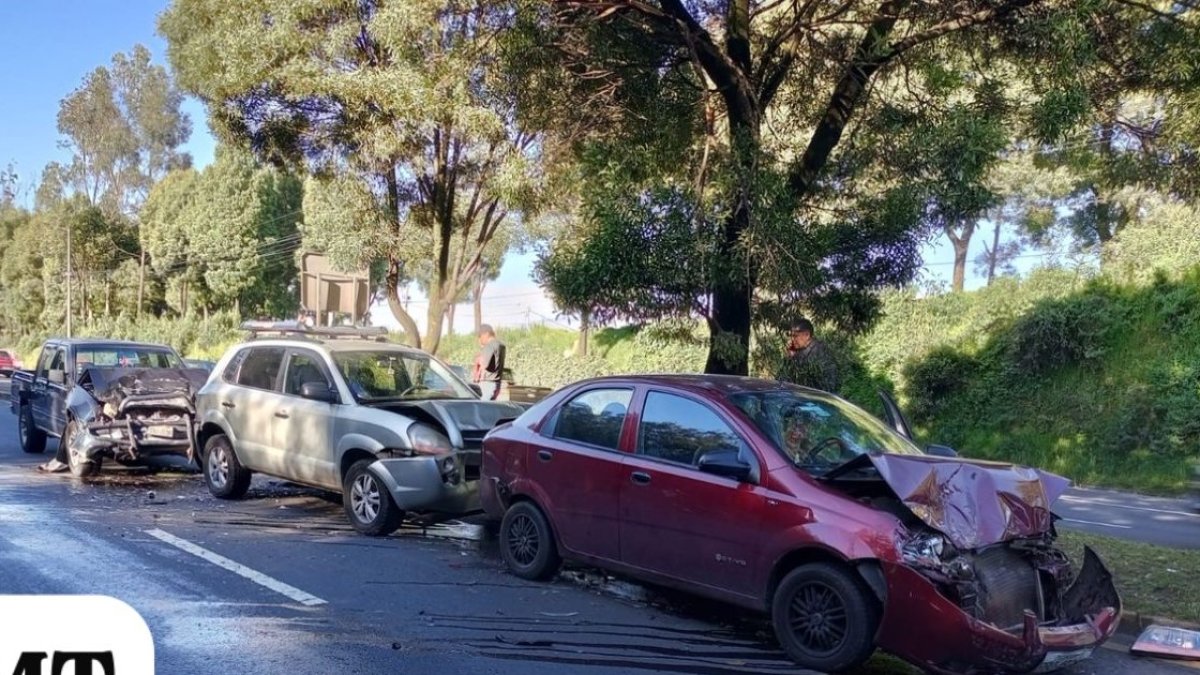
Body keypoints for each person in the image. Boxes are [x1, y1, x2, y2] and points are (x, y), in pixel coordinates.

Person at [781, 318, 840, 394]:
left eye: (795, 336)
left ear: (807, 335)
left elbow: (828, 385)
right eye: (791, 336)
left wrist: (793, 358)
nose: (792, 339)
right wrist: (789, 358)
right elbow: (782, 380)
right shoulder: (797, 352)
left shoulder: (819, 353)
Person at [475, 324, 506, 401]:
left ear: (486, 334)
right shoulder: (501, 345)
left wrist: (479, 359)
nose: (479, 339)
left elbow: (484, 365)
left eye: (480, 336)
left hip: (487, 383)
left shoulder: (489, 346)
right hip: (496, 383)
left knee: (482, 408)